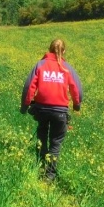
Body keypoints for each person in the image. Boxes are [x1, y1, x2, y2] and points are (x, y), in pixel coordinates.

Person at [20, 38, 83, 182]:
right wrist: (76, 105)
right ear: (64, 51)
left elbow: (29, 86)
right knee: (56, 143)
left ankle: (40, 165)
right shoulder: (67, 68)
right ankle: (50, 175)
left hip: (41, 109)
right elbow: (77, 89)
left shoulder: (40, 65)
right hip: (60, 112)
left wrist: (25, 106)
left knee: (42, 136)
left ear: (49, 49)